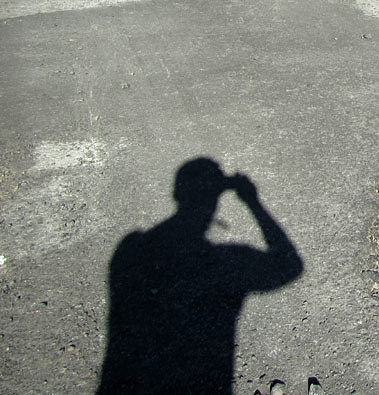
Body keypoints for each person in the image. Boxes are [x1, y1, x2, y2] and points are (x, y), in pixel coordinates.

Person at [98, 158, 303, 394]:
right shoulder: (224, 258)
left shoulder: (131, 247)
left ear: (177, 193)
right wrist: (253, 203)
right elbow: (290, 267)